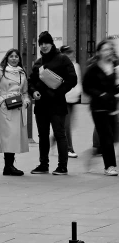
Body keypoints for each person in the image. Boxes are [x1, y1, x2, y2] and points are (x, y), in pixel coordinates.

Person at [28, 31, 77, 176]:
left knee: (60, 134)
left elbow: (72, 79)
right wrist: (33, 92)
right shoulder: (38, 62)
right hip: (41, 105)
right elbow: (31, 81)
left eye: (46, 43)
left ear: (51, 43)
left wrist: (58, 91)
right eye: (41, 44)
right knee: (43, 135)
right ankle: (43, 165)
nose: (43, 46)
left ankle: (62, 166)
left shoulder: (62, 59)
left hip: (57, 104)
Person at [0, 48, 30, 176]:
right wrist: (0, 101)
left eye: (16, 56)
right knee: (8, 136)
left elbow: (24, 90)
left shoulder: (21, 72)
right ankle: (8, 166)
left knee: (15, 136)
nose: (14, 58)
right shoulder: (0, 71)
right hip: (6, 106)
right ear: (7, 58)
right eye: (11, 56)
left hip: (18, 106)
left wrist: (27, 100)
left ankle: (10, 165)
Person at [82, 38, 119, 176]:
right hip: (98, 108)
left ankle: (94, 153)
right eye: (104, 49)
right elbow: (86, 87)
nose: (108, 52)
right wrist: (100, 94)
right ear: (99, 52)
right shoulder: (93, 69)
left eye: (109, 49)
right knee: (106, 137)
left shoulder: (113, 67)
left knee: (113, 137)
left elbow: (113, 88)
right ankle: (109, 166)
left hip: (111, 107)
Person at [59, 45, 82, 158]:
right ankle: (69, 148)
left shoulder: (76, 65)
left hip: (73, 99)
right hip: (63, 99)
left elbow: (79, 82)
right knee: (67, 125)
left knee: (68, 124)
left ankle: (55, 139)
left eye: (70, 52)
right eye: (66, 53)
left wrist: (78, 93)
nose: (70, 55)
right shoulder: (60, 66)